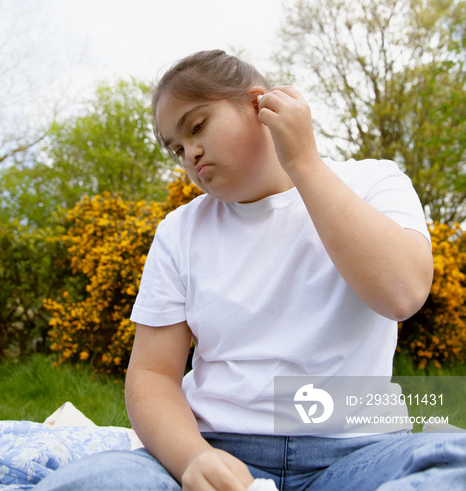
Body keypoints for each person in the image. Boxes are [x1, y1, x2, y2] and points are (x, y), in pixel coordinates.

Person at [36, 50, 466, 490]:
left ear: (260, 104)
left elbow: (402, 293)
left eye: (197, 126)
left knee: (457, 462)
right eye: (177, 148)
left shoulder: (374, 182)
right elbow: (152, 375)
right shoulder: (179, 231)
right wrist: (192, 460)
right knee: (96, 480)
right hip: (220, 448)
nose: (190, 154)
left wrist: (304, 162)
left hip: (360, 452)